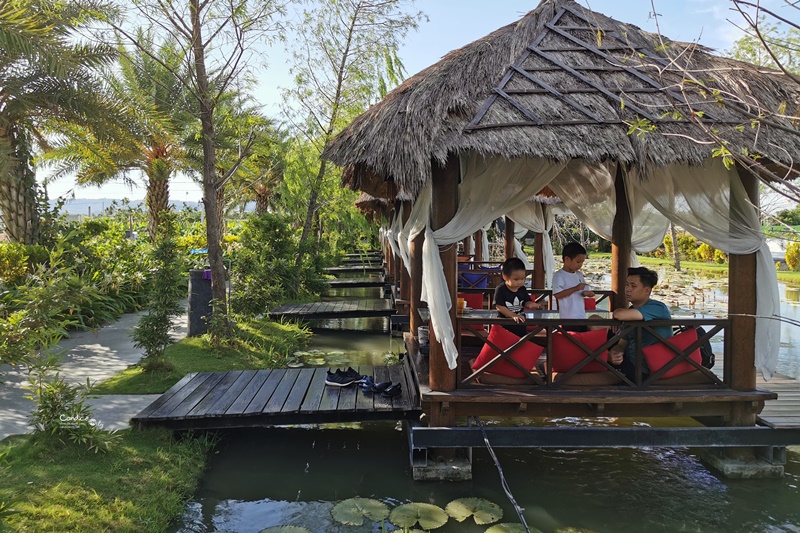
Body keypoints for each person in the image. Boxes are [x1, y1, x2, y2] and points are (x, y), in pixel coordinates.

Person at [609, 266, 672, 381]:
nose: (627, 289)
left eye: (633, 286)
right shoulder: (632, 310)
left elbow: (619, 315)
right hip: (629, 362)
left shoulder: (657, 307)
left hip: (646, 369)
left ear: (647, 290)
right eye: (627, 284)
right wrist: (617, 351)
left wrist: (617, 313)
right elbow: (623, 343)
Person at [493, 257, 541, 338]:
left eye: (523, 279)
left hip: (520, 324)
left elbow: (526, 301)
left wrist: (530, 304)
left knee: (521, 345)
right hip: (505, 325)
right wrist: (513, 315)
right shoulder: (500, 289)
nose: (520, 282)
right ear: (505, 277)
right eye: (516, 279)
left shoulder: (522, 289)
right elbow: (499, 306)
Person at [552, 242, 595, 332]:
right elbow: (557, 295)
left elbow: (584, 290)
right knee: (571, 340)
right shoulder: (559, 275)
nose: (580, 265)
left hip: (581, 315)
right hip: (568, 317)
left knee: (582, 339)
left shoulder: (579, 275)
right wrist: (575, 288)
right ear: (567, 259)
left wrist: (587, 293)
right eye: (578, 262)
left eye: (582, 262)